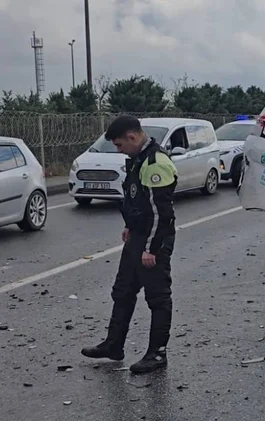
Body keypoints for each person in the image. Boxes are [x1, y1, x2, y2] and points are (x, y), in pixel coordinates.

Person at [81, 115, 178, 374]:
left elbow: (161, 213)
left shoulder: (155, 163)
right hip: (137, 236)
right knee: (123, 291)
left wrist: (151, 248)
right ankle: (114, 345)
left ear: (132, 137)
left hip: (152, 240)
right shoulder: (137, 159)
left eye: (119, 145)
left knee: (158, 298)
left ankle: (157, 355)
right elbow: (138, 201)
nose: (118, 150)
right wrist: (129, 225)